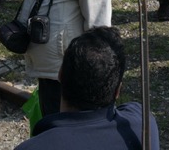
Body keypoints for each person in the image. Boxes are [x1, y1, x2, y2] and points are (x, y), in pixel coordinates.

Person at [14, 26, 159, 150]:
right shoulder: (143, 124)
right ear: (117, 91)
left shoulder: (33, 147)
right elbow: (132, 109)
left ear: (60, 75)